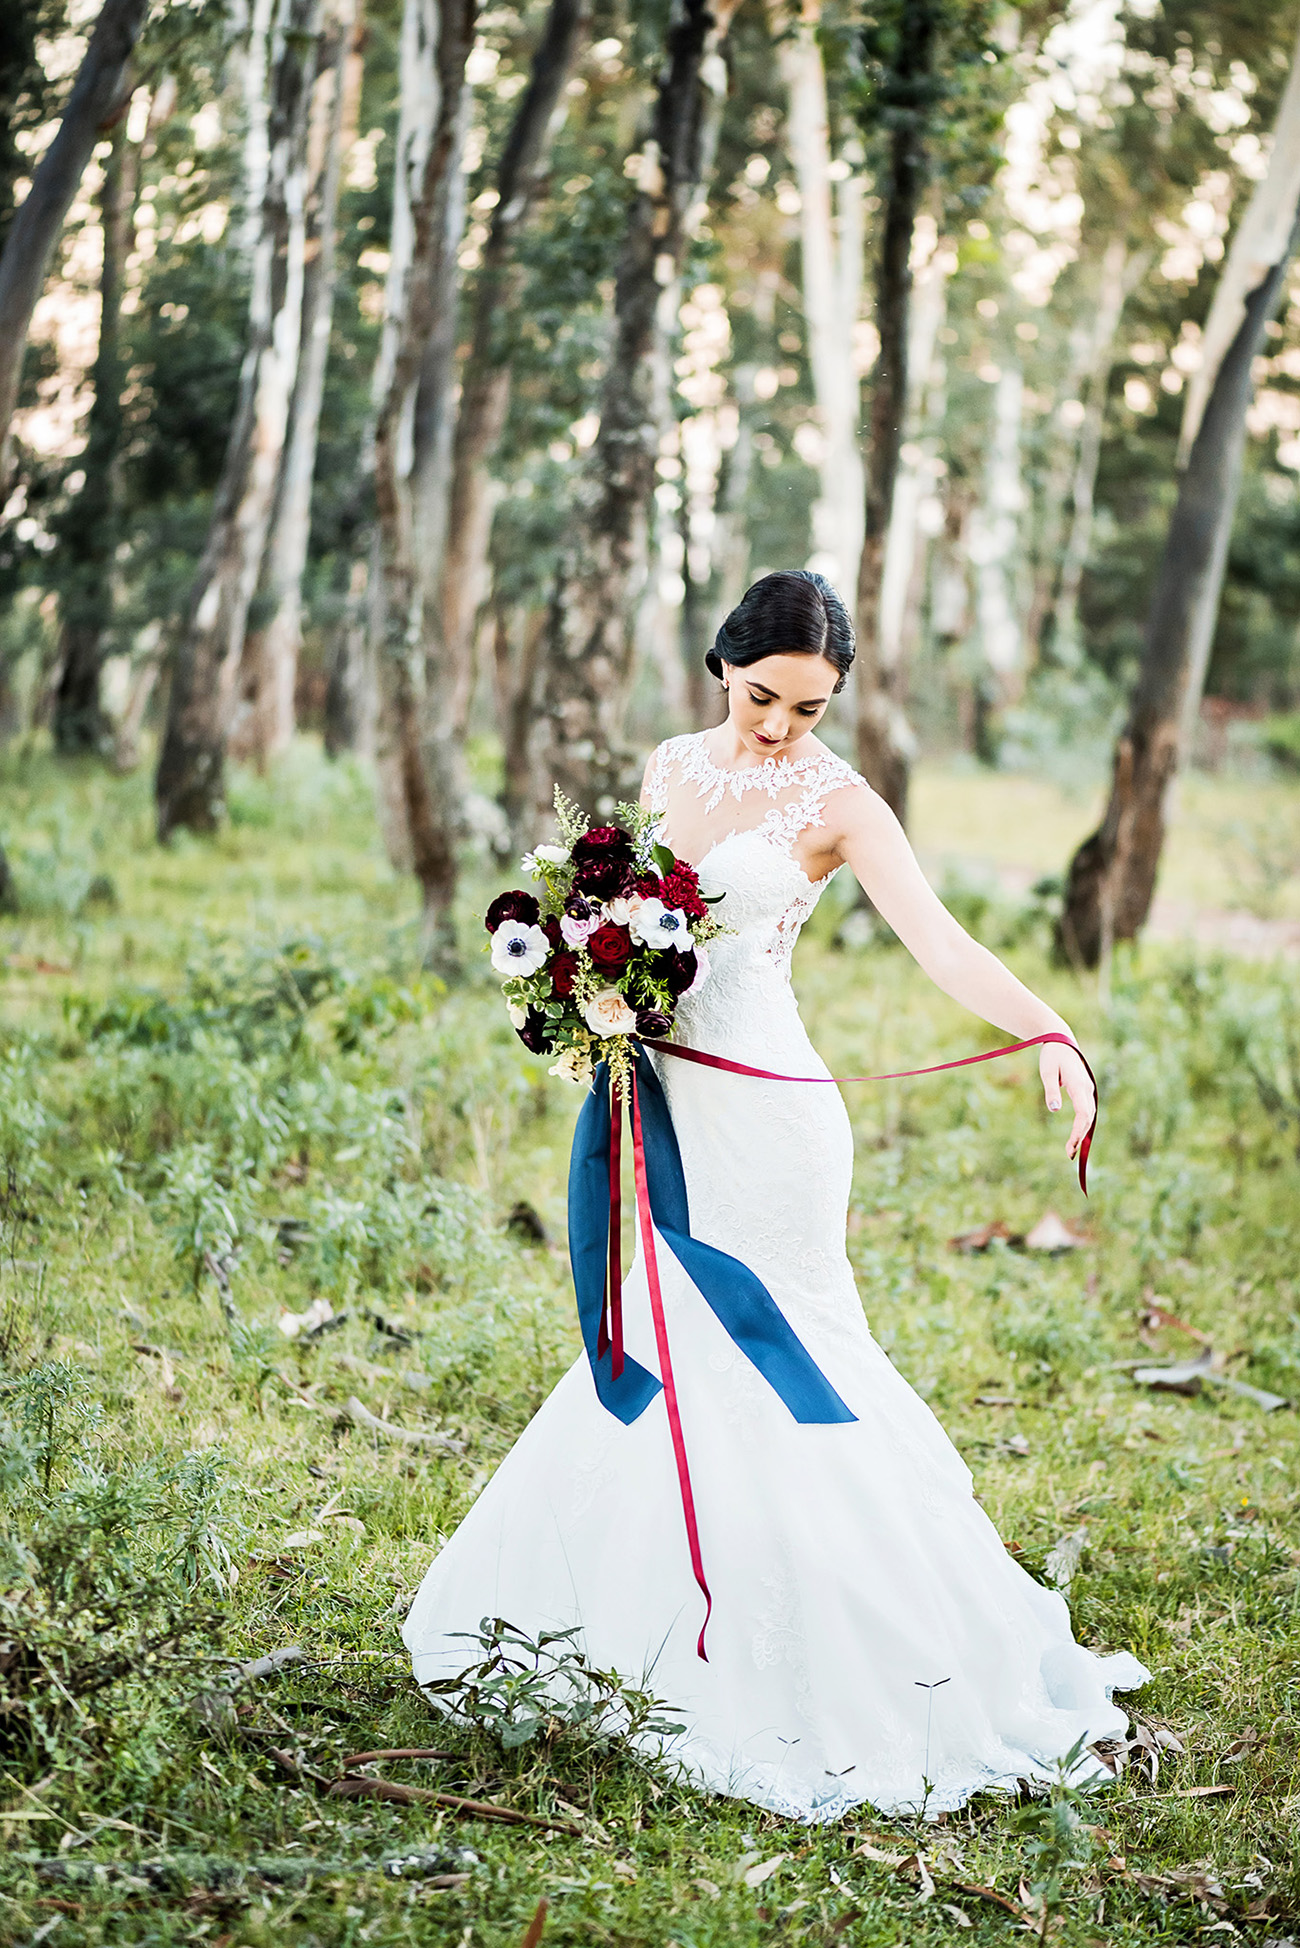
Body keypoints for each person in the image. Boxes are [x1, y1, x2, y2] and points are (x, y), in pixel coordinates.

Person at [403, 569, 1148, 1822]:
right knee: (672, 1339)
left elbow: (944, 943)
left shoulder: (841, 804)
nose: (778, 731)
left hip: (775, 1119)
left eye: (807, 710)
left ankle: (852, 1644)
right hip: (667, 1101)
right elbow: (629, 917)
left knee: (785, 1347)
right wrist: (597, 989)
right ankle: (663, 1624)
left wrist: (1050, 1032)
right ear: (722, 670)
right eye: (761, 700)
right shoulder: (663, 766)